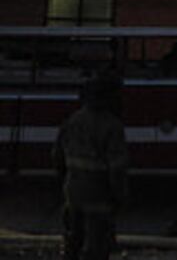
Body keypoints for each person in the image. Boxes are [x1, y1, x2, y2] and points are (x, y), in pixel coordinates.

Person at [52, 71, 128, 260]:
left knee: (72, 244)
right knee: (97, 248)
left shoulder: (72, 121)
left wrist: (66, 183)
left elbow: (57, 157)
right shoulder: (113, 126)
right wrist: (120, 197)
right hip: (99, 198)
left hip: (73, 194)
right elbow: (117, 170)